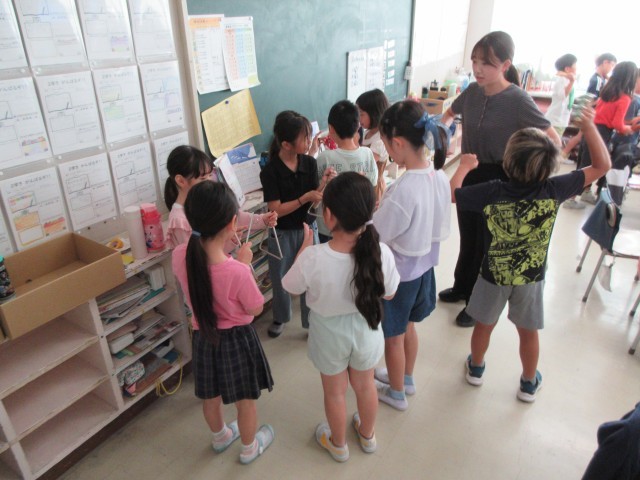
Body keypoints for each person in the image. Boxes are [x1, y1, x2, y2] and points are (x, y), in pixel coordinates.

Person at [450, 104, 611, 403]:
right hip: (531, 277)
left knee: (484, 325)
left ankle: (476, 368)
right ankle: (528, 383)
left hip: (493, 274)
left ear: (507, 161)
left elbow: (452, 194)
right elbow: (602, 166)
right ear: (550, 165)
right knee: (528, 332)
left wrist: (464, 167)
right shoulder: (554, 189)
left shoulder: (492, 191)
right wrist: (589, 128)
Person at [436, 31, 560, 328]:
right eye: (475, 61)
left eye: (486, 63)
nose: (478, 69)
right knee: (469, 237)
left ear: (505, 65)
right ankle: (462, 286)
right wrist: (441, 134)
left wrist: (529, 173)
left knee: (488, 245)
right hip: (470, 172)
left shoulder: (518, 100)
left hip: (501, 178)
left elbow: (553, 140)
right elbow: (448, 114)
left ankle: (476, 304)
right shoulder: (472, 92)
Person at [282, 172, 399, 462]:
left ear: (329, 215)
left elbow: (290, 287)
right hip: (366, 327)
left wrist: (304, 246)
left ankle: (338, 444)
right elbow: (390, 294)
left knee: (335, 393)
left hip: (328, 333)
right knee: (365, 385)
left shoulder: (314, 256)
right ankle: (368, 436)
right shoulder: (381, 252)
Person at [171, 181, 275, 464]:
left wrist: (226, 248)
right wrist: (244, 264)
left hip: (203, 337)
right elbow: (255, 308)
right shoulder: (236, 271)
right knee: (245, 401)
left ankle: (220, 437)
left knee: (211, 396)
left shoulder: (180, 255)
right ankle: (249, 447)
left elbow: (208, 267)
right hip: (237, 340)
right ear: (232, 223)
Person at [371, 100, 451, 411]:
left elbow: (379, 232)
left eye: (386, 143)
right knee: (408, 328)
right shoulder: (438, 175)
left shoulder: (404, 189)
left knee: (393, 336)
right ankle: (405, 378)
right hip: (424, 269)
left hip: (399, 276)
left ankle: (396, 394)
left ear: (398, 143)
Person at [259, 111, 334, 338]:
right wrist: (305, 198)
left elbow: (313, 202)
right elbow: (275, 210)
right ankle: (280, 317)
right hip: (282, 232)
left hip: (307, 229)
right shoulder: (271, 171)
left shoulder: (309, 163)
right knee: (280, 277)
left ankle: (310, 322)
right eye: (305, 138)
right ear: (286, 144)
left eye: (309, 136)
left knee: (310, 277)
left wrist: (322, 185)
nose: (310, 142)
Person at [164, 145, 276, 249]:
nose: (209, 182)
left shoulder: (206, 200)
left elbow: (234, 216)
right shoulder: (179, 221)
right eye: (203, 178)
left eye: (210, 175)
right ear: (181, 180)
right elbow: (195, 258)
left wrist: (262, 220)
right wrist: (228, 242)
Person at [566, 61, 639, 208]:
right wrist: (629, 129)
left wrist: (629, 122)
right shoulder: (625, 98)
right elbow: (617, 124)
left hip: (591, 129)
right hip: (601, 134)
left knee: (584, 164)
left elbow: (606, 116)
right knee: (592, 166)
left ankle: (582, 193)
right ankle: (570, 199)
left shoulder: (607, 93)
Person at [315, 100, 377, 242]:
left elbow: (316, 193)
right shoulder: (367, 154)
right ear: (358, 126)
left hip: (329, 228)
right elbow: (372, 186)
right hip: (357, 225)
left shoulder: (324, 157)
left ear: (330, 129)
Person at [562, 53, 618, 163]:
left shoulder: (601, 79)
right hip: (589, 113)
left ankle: (564, 154)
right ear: (605, 62)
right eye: (612, 65)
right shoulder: (597, 80)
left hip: (589, 113)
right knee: (580, 136)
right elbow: (592, 98)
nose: (612, 68)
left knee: (580, 136)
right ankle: (563, 154)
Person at [356, 89, 391, 200]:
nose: (358, 118)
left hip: (373, 189)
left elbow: (364, 165)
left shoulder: (380, 139)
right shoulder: (367, 133)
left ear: (374, 114)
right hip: (364, 185)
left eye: (361, 114)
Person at [545, 54, 578, 138]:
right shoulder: (562, 80)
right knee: (552, 143)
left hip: (562, 120)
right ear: (567, 69)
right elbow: (562, 96)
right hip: (555, 120)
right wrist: (571, 82)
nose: (577, 67)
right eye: (575, 65)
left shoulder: (567, 80)